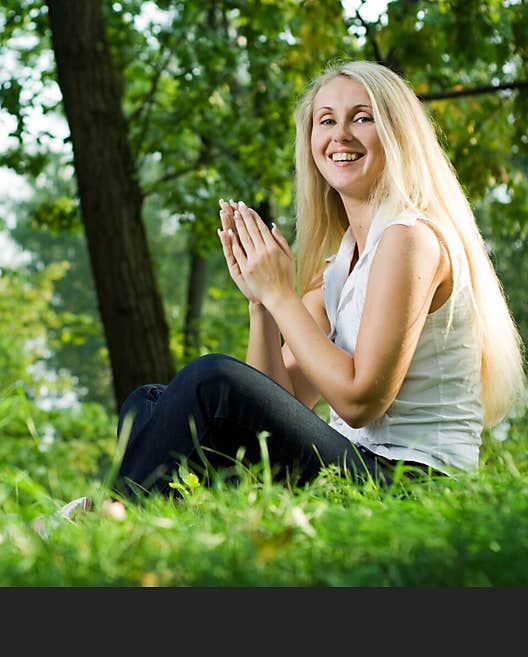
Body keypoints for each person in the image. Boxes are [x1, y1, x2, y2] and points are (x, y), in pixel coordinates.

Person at [113, 60, 525, 498]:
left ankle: (110, 516)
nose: (340, 135)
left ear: (398, 136)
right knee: (152, 403)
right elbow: (270, 407)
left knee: (210, 380)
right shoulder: (340, 268)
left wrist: (280, 294)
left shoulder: (411, 239)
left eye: (362, 118)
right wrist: (262, 303)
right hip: (355, 467)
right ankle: (136, 518)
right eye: (326, 120)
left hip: (415, 482)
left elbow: (359, 401)